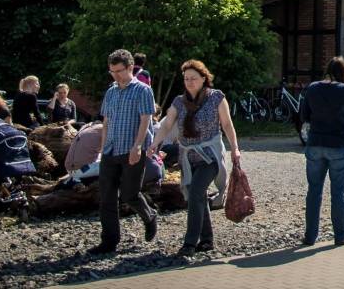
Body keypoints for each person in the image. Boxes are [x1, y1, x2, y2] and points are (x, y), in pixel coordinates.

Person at [149, 59, 241, 256]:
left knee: (197, 192)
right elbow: (166, 125)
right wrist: (155, 143)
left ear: (204, 79)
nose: (189, 82)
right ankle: (207, 240)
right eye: (186, 79)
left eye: (193, 78)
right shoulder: (179, 102)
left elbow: (227, 124)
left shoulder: (216, 97)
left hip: (210, 156)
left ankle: (189, 243)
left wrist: (235, 148)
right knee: (196, 197)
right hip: (189, 158)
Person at [87, 49, 158, 257]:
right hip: (111, 149)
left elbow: (146, 120)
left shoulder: (142, 90)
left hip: (131, 149)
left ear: (129, 68)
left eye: (119, 71)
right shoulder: (111, 91)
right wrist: (102, 148)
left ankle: (149, 215)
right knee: (107, 197)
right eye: (112, 71)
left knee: (129, 194)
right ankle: (109, 241)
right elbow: (106, 121)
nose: (115, 75)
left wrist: (138, 146)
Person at [298, 57, 344, 247]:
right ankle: (340, 235)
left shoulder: (313, 88)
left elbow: (303, 115)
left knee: (314, 190)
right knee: (338, 192)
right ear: (343, 73)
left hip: (315, 142)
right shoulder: (343, 89)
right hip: (339, 144)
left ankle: (310, 236)